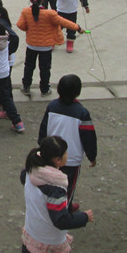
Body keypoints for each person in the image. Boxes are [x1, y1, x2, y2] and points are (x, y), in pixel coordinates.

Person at [2, 136, 92, 253]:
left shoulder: (30, 172)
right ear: (57, 160)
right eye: (65, 153)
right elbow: (61, 220)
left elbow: (24, 179)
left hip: (33, 233)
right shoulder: (55, 188)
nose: (67, 155)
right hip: (52, 240)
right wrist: (84, 217)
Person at [38, 75, 97, 212]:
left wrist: (42, 148)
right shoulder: (82, 113)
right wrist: (92, 156)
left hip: (51, 155)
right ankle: (64, 211)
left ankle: (55, 207)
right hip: (71, 159)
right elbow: (89, 138)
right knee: (68, 188)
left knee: (51, 182)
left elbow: (43, 129)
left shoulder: (52, 106)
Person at [16, 0, 83, 98]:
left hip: (31, 45)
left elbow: (20, 25)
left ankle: (26, 86)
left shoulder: (26, 12)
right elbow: (64, 22)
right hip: (46, 48)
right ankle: (44, 89)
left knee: (29, 67)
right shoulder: (50, 14)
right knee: (45, 69)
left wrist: (29, 28)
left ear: (30, 0)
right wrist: (77, 28)